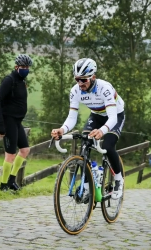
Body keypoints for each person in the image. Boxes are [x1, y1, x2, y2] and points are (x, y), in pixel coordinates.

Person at [51, 58, 125, 199]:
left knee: (108, 146)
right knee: (85, 145)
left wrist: (102, 131)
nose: (80, 83)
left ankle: (118, 180)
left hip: (115, 115)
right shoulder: (75, 91)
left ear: (93, 77)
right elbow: (72, 118)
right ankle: (85, 186)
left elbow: (112, 118)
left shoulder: (105, 88)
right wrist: (62, 129)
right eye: (77, 79)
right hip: (96, 115)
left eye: (83, 80)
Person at [0, 54, 33, 191]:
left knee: (25, 150)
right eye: (23, 67)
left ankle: (11, 180)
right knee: (10, 154)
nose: (25, 69)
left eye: (27, 67)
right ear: (16, 67)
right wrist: (1, 125)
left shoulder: (21, 82)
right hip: (8, 120)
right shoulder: (9, 80)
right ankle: (3, 186)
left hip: (17, 121)